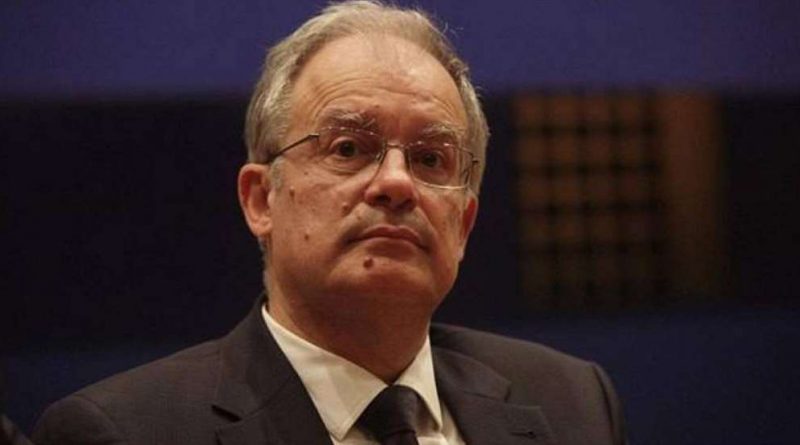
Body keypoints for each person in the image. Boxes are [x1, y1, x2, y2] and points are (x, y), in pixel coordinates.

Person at [32, 1, 627, 444]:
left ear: (465, 223)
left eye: (430, 159)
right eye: (348, 148)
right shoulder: (122, 432)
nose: (397, 183)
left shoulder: (573, 403)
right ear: (261, 200)